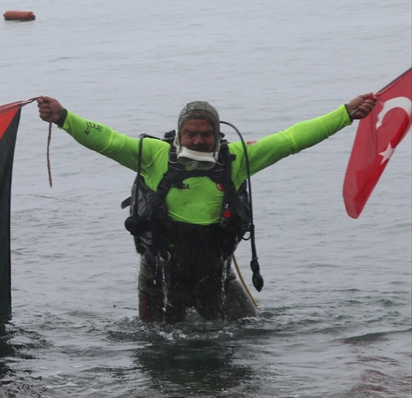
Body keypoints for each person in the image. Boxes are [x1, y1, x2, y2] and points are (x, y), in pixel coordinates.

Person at [36, 93, 377, 323]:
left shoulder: (237, 159)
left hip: (216, 276)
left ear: (217, 135)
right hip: (159, 277)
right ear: (178, 136)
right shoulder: (153, 155)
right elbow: (106, 140)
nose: (198, 141)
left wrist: (345, 114)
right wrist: (64, 117)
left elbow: (292, 140)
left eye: (205, 134)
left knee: (249, 336)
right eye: (190, 134)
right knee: (154, 348)